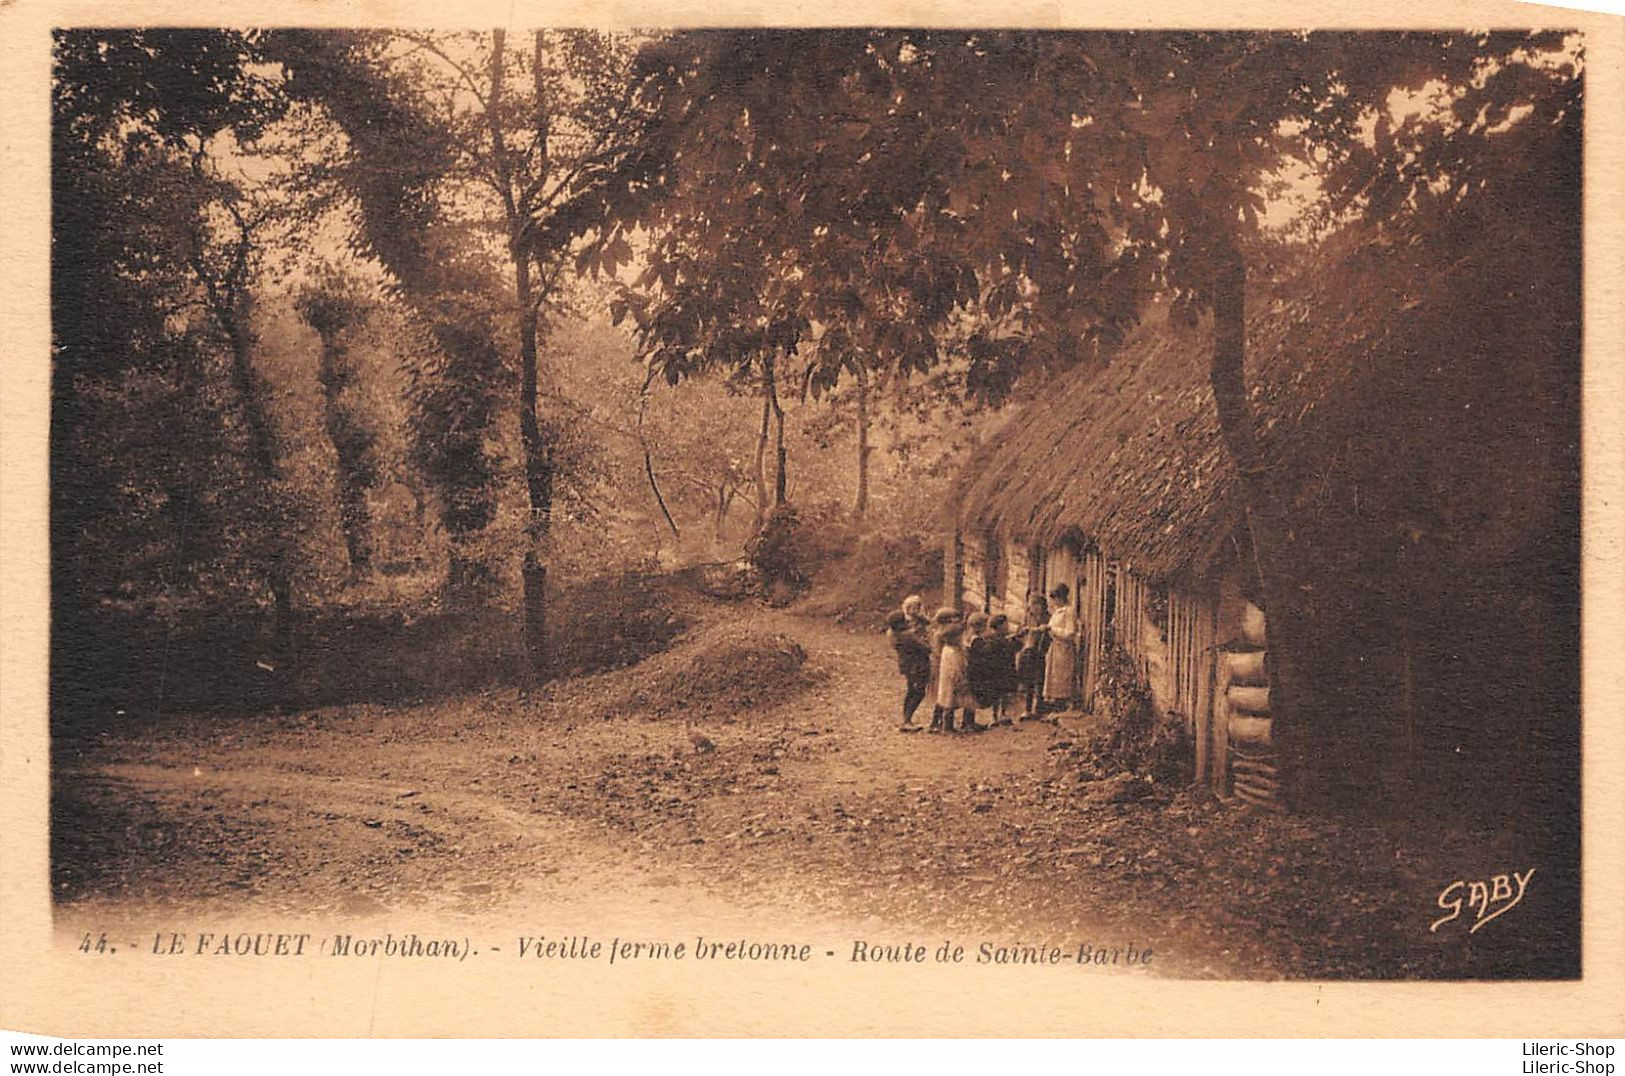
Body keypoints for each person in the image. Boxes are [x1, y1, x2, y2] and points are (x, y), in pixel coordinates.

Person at [886, 611, 931, 733]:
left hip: (907, 666)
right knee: (919, 692)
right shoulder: (907, 636)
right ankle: (907, 720)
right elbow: (926, 648)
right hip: (917, 666)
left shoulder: (893, 635)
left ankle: (906, 719)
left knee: (911, 690)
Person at [934, 617, 979, 733]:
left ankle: (967, 723)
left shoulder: (953, 649)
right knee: (950, 704)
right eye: (959, 636)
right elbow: (954, 668)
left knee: (956, 702)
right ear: (953, 638)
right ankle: (948, 727)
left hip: (952, 680)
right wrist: (960, 679)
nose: (961, 638)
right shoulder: (951, 651)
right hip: (953, 680)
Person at [1042, 583, 1079, 713]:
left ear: (1061, 598)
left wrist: (1052, 629)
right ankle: (1057, 706)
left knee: (1064, 677)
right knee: (1055, 677)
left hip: (1064, 648)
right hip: (1055, 647)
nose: (1053, 601)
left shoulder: (1069, 611)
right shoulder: (1057, 611)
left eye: (1055, 598)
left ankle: (1065, 705)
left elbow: (1070, 632)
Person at [965, 612, 999, 731]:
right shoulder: (976, 640)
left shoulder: (970, 637)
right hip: (976, 671)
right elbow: (985, 651)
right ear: (979, 626)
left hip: (973, 669)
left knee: (972, 697)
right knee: (972, 697)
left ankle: (969, 721)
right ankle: (968, 723)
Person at [986, 613, 1021, 725]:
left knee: (1005, 693)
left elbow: (1017, 647)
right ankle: (994, 715)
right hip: (996, 669)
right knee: (996, 694)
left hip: (1006, 669)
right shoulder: (992, 639)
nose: (1007, 627)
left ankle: (1003, 713)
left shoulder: (1008, 638)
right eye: (1005, 625)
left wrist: (1016, 638)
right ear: (999, 626)